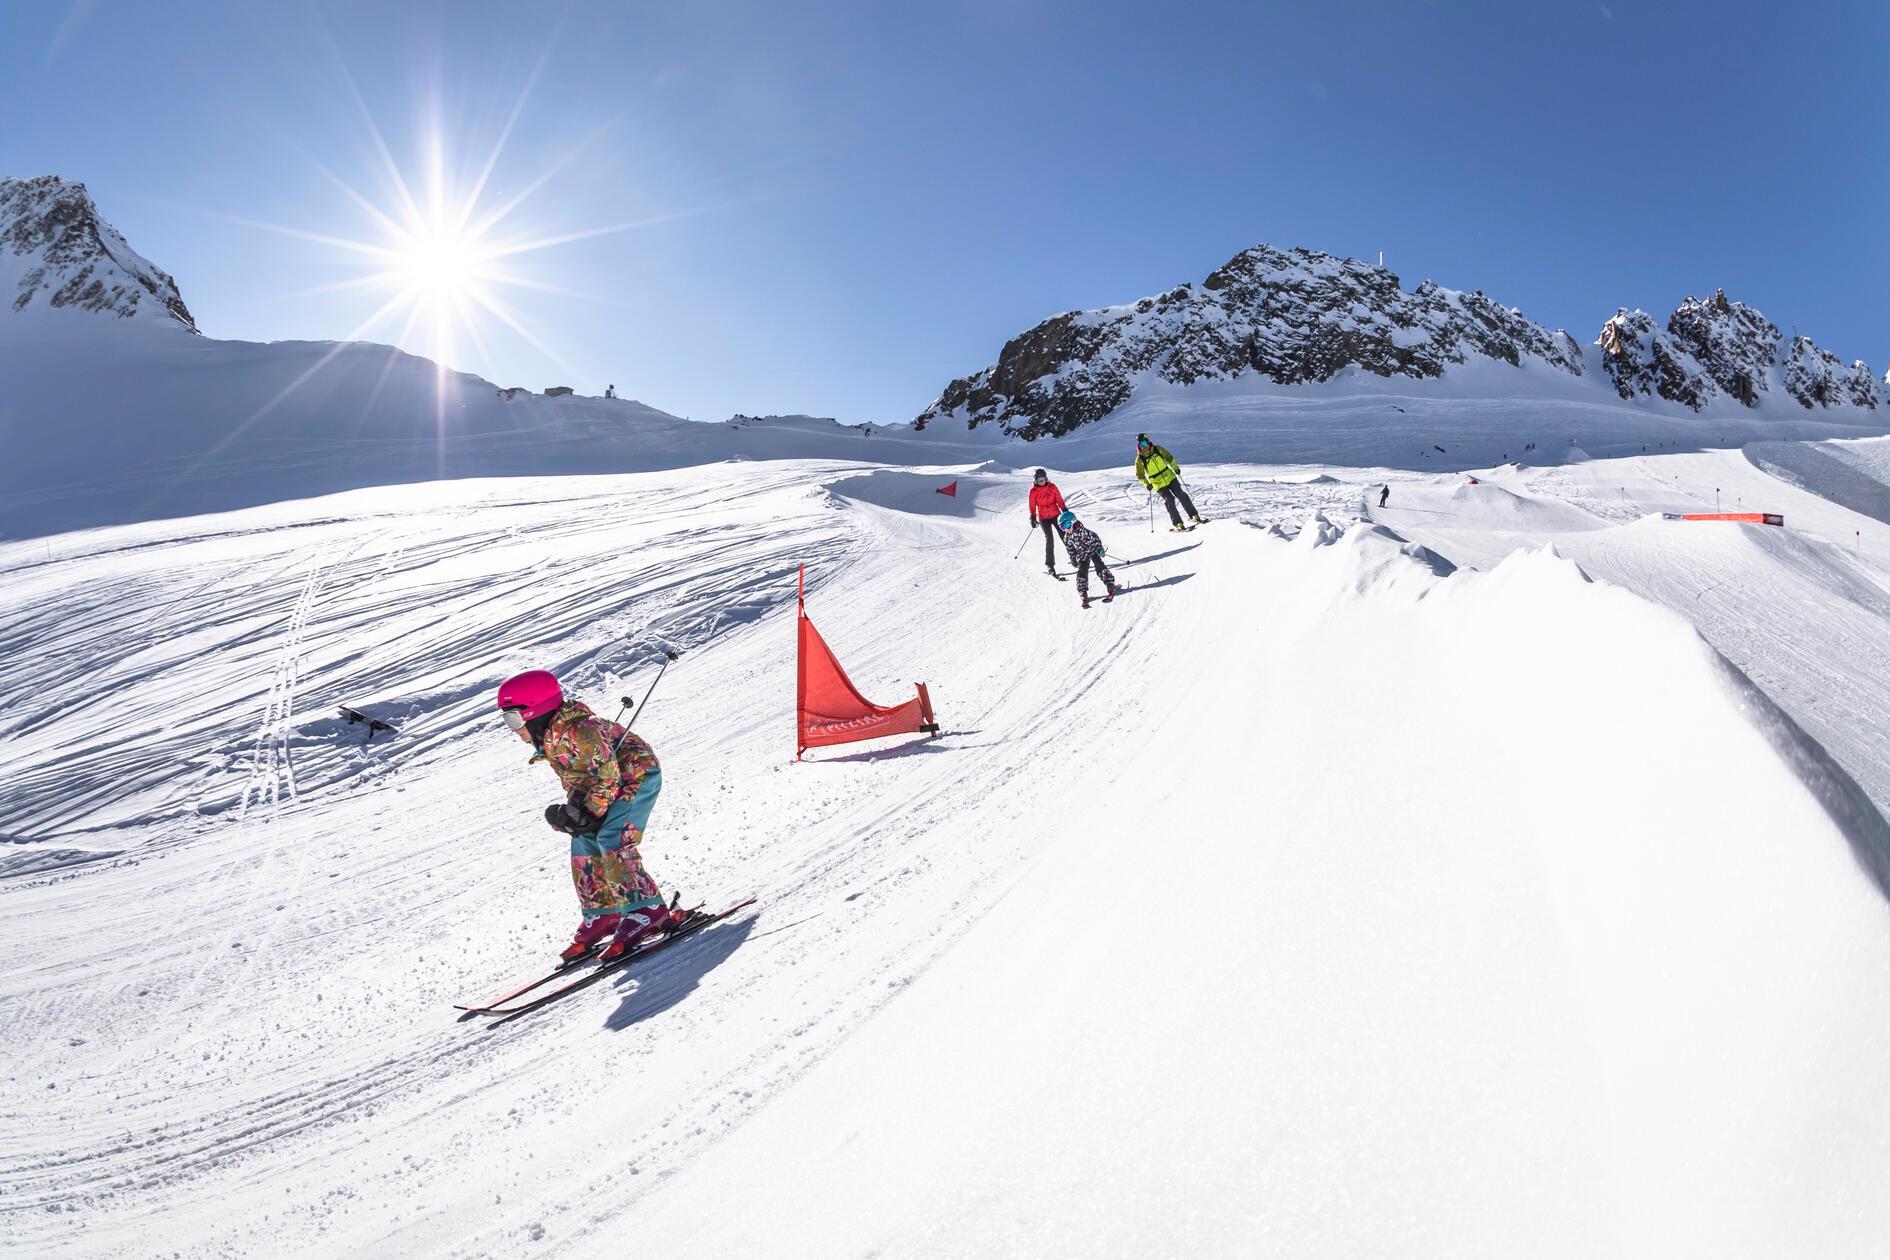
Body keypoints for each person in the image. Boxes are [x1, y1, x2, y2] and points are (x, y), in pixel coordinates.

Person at [495, 669, 673, 963]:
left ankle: (646, 909)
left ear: (536, 713)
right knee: (583, 842)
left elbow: (607, 776)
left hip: (636, 776)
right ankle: (605, 912)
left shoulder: (581, 731)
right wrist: (576, 815)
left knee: (612, 837)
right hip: (606, 786)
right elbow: (580, 779)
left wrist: (591, 812)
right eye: (505, 720)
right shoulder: (551, 738)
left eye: (513, 719)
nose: (512, 729)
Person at [1134, 433, 1201, 531]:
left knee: (1180, 494)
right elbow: (1140, 475)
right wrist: (1146, 484)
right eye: (1140, 444)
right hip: (1157, 483)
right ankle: (1178, 523)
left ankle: (1194, 515)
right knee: (1169, 500)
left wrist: (1175, 468)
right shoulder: (1140, 459)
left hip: (1169, 476)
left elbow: (1169, 457)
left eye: (1144, 443)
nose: (1143, 446)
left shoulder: (1158, 449)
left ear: (1148, 442)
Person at [1056, 511, 1118, 609]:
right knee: (1082, 572)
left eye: (1067, 525)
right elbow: (1070, 548)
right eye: (1062, 527)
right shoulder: (1067, 537)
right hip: (1082, 555)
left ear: (1073, 522)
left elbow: (1095, 537)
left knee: (1100, 566)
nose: (1066, 529)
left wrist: (1099, 548)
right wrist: (1073, 558)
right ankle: (1083, 592)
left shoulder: (1083, 531)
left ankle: (1110, 584)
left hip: (1093, 550)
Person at [1026, 468, 1069, 576]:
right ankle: (1050, 565)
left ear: (1046, 478)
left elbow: (1059, 499)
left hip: (1056, 515)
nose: (1042, 481)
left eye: (1043, 479)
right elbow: (1032, 505)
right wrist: (1032, 517)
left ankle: (1074, 557)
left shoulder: (1052, 487)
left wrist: (1064, 510)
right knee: (1049, 539)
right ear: (1035, 480)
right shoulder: (1033, 491)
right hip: (1043, 518)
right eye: (1039, 480)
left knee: (1064, 535)